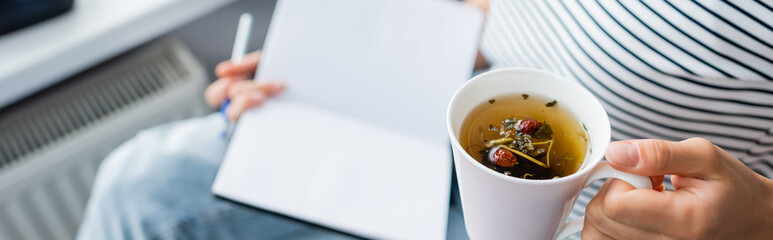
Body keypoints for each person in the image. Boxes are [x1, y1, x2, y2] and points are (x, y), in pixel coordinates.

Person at [77, 0, 773, 239]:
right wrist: (333, 71)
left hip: (608, 222)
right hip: (442, 124)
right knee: (144, 185)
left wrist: (759, 222)